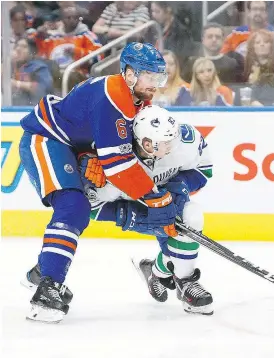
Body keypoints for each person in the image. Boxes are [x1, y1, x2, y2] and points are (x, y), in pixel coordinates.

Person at [18, 42, 175, 323]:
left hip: (71, 147)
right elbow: (119, 166)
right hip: (45, 139)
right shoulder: (113, 95)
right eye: (150, 77)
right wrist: (154, 197)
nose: (156, 84)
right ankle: (47, 289)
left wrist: (91, 155)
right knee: (73, 206)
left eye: (159, 78)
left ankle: (45, 271)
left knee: (85, 206)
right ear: (129, 74)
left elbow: (114, 147)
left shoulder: (138, 100)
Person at [22, 105, 214, 316]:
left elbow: (204, 168)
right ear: (145, 144)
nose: (171, 147)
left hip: (166, 195)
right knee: (171, 233)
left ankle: (180, 280)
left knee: (191, 216)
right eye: (164, 144)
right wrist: (129, 216)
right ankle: (161, 271)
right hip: (132, 202)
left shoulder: (185, 140)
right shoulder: (111, 161)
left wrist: (181, 186)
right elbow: (90, 205)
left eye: (173, 141)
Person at [11, 37, 53, 106]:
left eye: (24, 47)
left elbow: (43, 88)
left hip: (33, 109)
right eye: (17, 46)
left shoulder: (38, 67)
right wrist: (7, 61)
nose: (18, 49)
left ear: (32, 52)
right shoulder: (10, 66)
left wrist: (17, 84)